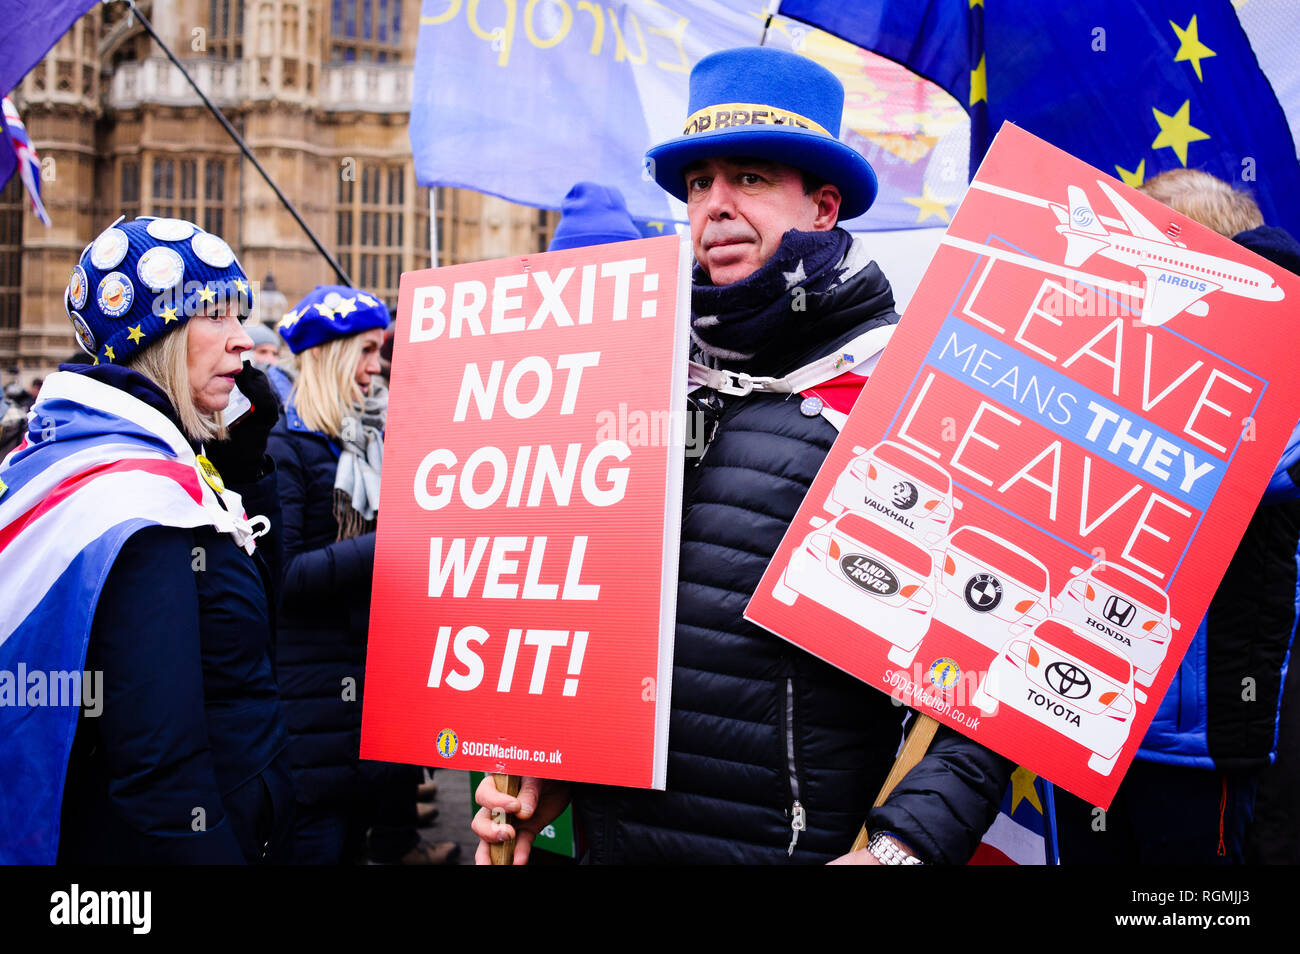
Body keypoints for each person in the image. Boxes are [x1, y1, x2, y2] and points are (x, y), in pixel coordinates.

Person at [473, 47, 1010, 864]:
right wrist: (548, 773)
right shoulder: (631, 383)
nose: (715, 206)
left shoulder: (900, 399)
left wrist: (898, 852)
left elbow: (995, 682)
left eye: (750, 179)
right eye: (698, 185)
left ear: (824, 207)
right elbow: (586, 632)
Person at [0, 215, 292, 863]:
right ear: (158, 335)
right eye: (217, 316)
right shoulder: (139, 501)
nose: (244, 342)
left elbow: (252, 625)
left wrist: (247, 465)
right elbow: (162, 776)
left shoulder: (156, 463)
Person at [1053, 170, 1300, 864]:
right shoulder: (1113, 360)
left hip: (1201, 741)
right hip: (1077, 714)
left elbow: (1259, 467)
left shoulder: (1282, 370)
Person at [268, 285, 458, 865]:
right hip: (312, 701)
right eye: (368, 351)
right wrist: (390, 540)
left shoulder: (364, 442)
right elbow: (286, 577)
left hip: (363, 696)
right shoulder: (285, 449)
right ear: (331, 355)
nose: (377, 367)